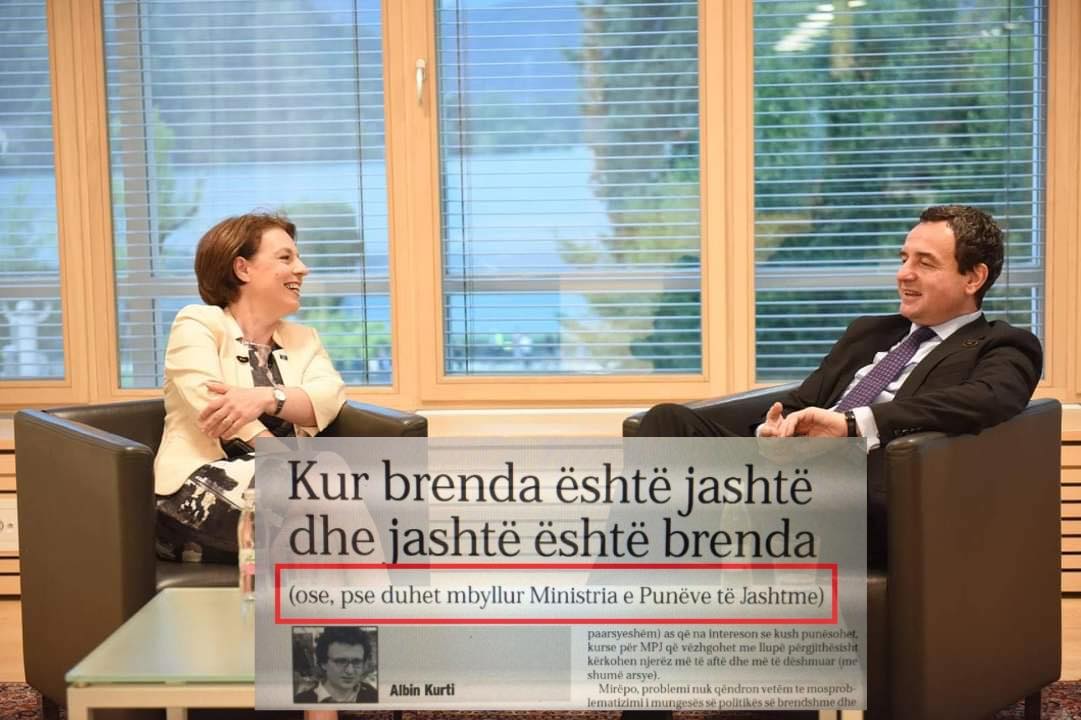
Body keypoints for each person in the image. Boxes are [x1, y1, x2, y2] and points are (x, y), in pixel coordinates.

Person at [638, 205, 1042, 445]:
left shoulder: (1002, 344)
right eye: (904, 258)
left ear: (973, 278)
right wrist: (772, 430)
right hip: (800, 464)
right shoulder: (870, 332)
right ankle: (654, 568)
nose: (904, 273)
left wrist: (852, 425)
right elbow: (803, 401)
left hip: (873, 475)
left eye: (925, 263)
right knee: (667, 422)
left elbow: (986, 400)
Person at [154, 212, 346, 563]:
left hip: (287, 487)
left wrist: (265, 397)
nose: (302, 269)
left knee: (321, 487)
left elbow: (328, 397)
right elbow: (212, 407)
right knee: (319, 486)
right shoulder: (197, 322)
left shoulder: (304, 338)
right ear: (242, 269)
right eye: (286, 258)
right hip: (200, 488)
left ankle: (354, 597)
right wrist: (288, 460)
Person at [295, 627, 378, 703]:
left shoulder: (375, 697)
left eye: (356, 662)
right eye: (341, 661)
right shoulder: (300, 701)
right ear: (323, 663)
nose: (350, 671)